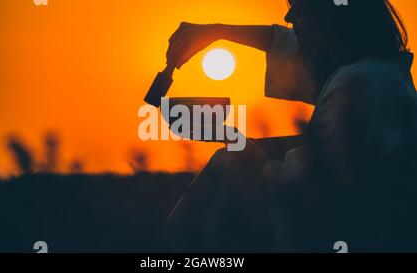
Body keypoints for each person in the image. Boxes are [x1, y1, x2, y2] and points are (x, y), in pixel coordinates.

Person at [165, 0, 417, 252]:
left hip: (331, 237)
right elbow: (287, 44)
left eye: (301, 7)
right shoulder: (384, 74)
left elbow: (296, 192)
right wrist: (215, 32)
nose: (289, 16)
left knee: (226, 162)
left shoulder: (355, 82)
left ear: (332, 14)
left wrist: (225, 135)